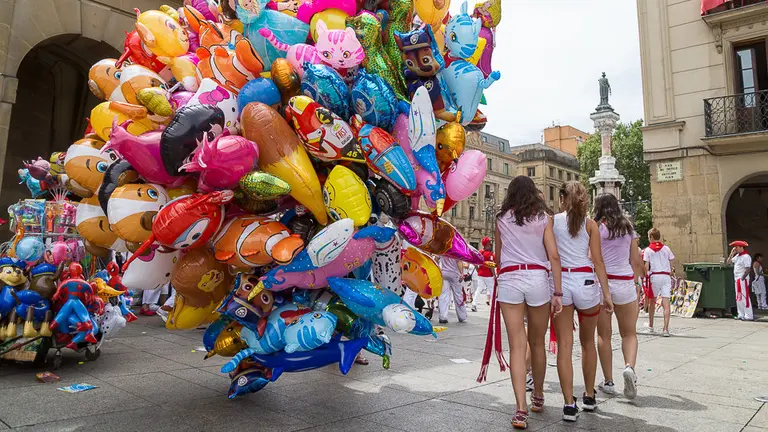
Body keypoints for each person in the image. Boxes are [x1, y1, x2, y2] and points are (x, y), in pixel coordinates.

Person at [482, 175, 563, 429]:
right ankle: (537, 395)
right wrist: (558, 292)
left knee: (517, 346)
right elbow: (553, 255)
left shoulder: (500, 219)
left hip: (510, 279)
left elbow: (497, 255)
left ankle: (520, 409)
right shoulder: (543, 218)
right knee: (537, 343)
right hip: (537, 277)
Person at [552, 181, 613, 422]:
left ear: (562, 198)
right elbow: (598, 261)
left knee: (565, 346)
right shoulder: (591, 226)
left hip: (562, 284)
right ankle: (588, 395)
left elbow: (551, 254)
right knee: (588, 343)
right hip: (587, 283)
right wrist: (607, 295)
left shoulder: (552, 221)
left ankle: (568, 404)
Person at [593, 194, 645, 400]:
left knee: (603, 336)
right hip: (625, 283)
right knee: (629, 333)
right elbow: (636, 261)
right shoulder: (628, 229)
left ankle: (608, 381)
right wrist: (638, 282)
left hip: (603, 284)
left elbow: (593, 258)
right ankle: (629, 368)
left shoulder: (598, 229)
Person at [643, 228, 675, 335]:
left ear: (651, 237)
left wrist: (645, 275)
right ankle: (665, 329)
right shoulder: (666, 248)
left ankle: (651, 326)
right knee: (666, 303)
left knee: (652, 301)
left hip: (655, 276)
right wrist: (671, 272)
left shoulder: (648, 250)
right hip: (666, 276)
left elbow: (646, 265)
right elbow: (671, 263)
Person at [728, 240, 754, 321]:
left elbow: (748, 269)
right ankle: (741, 314)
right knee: (738, 297)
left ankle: (748, 315)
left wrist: (743, 278)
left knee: (744, 297)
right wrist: (732, 254)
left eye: (736, 247)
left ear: (741, 247)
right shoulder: (738, 256)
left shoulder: (746, 256)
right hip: (737, 279)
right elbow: (728, 262)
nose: (735, 248)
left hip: (742, 279)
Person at [437, 256, 467, 324]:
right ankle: (462, 316)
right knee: (458, 295)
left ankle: (443, 316)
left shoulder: (443, 248)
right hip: (455, 274)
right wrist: (462, 273)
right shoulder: (456, 248)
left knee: (443, 295)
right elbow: (459, 261)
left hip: (444, 273)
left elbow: (436, 258)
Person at [472, 237, 496, 311]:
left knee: (479, 289)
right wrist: (494, 275)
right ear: (487, 244)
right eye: (489, 242)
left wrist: (478, 270)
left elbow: (475, 263)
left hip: (480, 274)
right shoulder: (490, 254)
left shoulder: (480, 252)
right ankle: (493, 306)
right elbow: (491, 266)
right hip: (488, 275)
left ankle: (474, 304)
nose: (490, 244)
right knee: (491, 290)